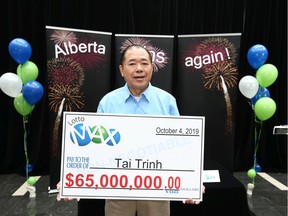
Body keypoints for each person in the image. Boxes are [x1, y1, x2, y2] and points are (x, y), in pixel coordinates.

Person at [96, 44, 204, 216]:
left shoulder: (167, 101)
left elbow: (181, 146)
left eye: (144, 63)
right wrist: (72, 178)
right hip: (118, 189)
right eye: (132, 63)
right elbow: (95, 148)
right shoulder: (107, 103)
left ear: (152, 68)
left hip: (157, 189)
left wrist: (191, 181)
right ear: (121, 70)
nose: (139, 68)